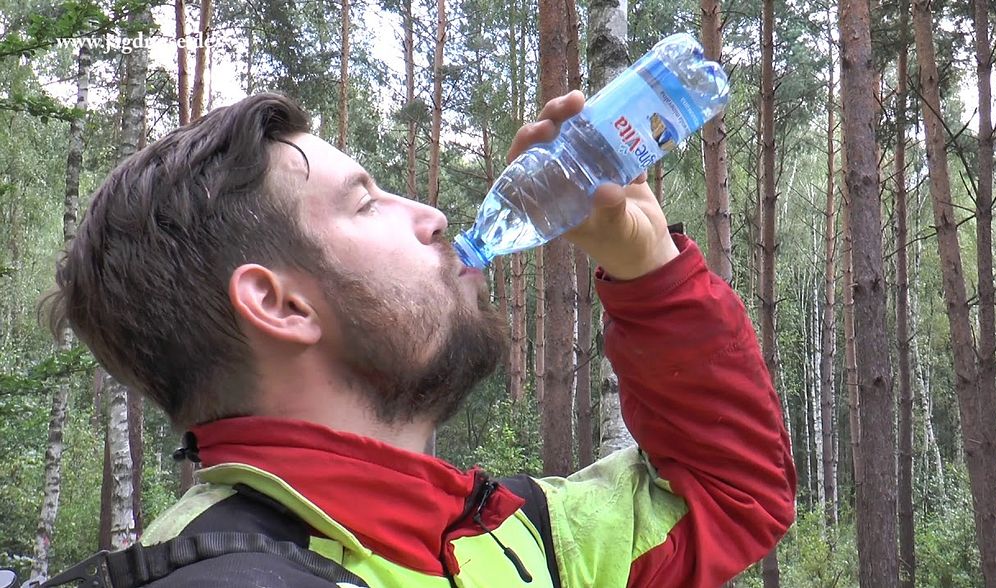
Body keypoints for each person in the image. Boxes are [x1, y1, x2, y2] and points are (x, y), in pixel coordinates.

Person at [47, 90, 796, 587]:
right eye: (367, 202)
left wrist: (648, 267)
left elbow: (729, 494)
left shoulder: (510, 538)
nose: (432, 215)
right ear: (279, 304)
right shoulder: (223, 579)